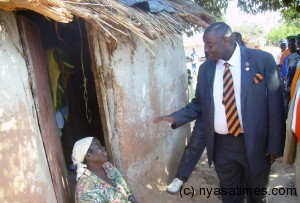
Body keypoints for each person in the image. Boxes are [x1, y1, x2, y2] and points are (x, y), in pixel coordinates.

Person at [154, 22, 285, 202]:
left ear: (226, 40)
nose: (206, 50)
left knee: (257, 194)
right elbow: (200, 104)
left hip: (256, 143)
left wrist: (275, 145)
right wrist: (176, 117)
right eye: (205, 45)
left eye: (210, 44)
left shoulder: (262, 60)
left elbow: (276, 106)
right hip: (222, 146)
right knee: (230, 195)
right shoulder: (206, 68)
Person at [72, 137, 138, 203]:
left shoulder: (108, 166)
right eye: (99, 147)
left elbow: (128, 193)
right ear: (88, 156)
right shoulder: (85, 188)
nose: (103, 148)